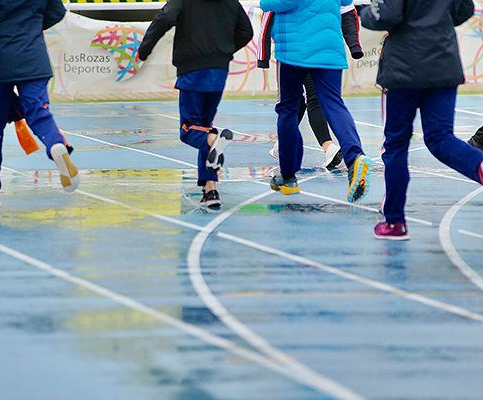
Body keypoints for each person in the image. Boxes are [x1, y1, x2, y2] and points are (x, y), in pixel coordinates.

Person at [361, 0, 483, 240]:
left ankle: (395, 222)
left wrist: (364, 13)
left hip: (403, 68)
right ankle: (479, 165)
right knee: (440, 138)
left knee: (396, 145)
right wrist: (439, 23)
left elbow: (387, 13)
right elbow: (465, 9)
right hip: (443, 62)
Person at [137, 0, 253, 209]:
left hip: (192, 68)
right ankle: (210, 189)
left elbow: (165, 17)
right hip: (219, 69)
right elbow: (246, 32)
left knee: (189, 129)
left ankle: (213, 139)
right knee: (204, 125)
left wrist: (145, 49)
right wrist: (223, 51)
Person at [0, 0, 79, 209]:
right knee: (38, 112)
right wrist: (30, 27)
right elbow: (57, 11)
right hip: (34, 57)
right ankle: (56, 144)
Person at [259, 0, 373, 202]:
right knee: (333, 103)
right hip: (330, 46)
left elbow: (278, 3)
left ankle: (288, 175)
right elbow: (347, 6)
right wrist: (354, 44)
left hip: (294, 49)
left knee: (288, 108)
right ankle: (355, 157)